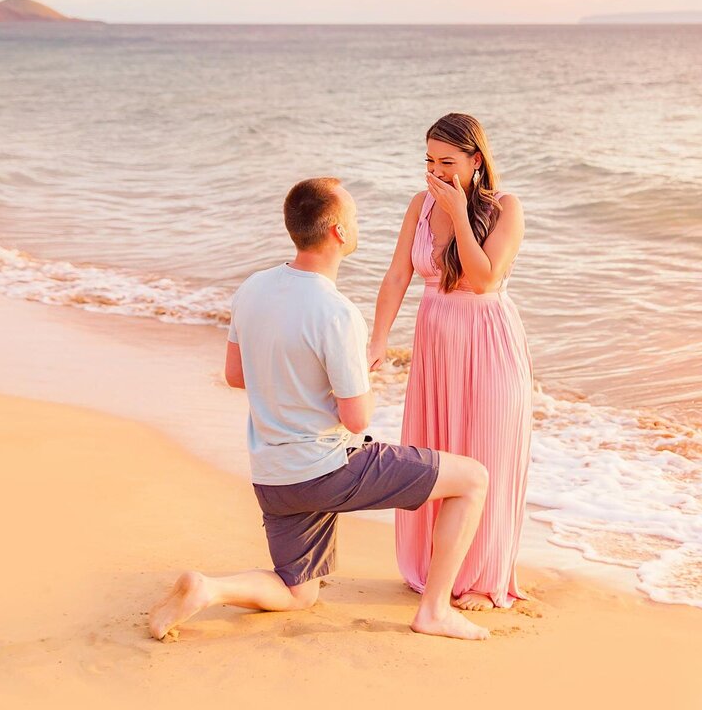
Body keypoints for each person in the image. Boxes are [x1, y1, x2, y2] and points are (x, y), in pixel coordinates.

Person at [148, 177, 491, 641]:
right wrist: (362, 376)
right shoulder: (336, 312)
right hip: (325, 470)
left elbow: (236, 374)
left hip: (273, 476)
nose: (358, 222)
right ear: (337, 233)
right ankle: (434, 610)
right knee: (472, 479)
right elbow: (356, 419)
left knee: (298, 593)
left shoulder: (253, 288)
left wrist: (301, 383)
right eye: (353, 216)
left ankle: (209, 590)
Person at [369, 113, 533, 610]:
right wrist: (376, 341)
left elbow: (483, 280)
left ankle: (483, 577)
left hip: (488, 342)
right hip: (436, 345)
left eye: (448, 162)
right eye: (429, 161)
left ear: (475, 161)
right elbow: (398, 276)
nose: (437, 172)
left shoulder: (506, 208)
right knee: (437, 451)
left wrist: (460, 213)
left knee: (486, 451)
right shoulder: (419, 205)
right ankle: (437, 569)